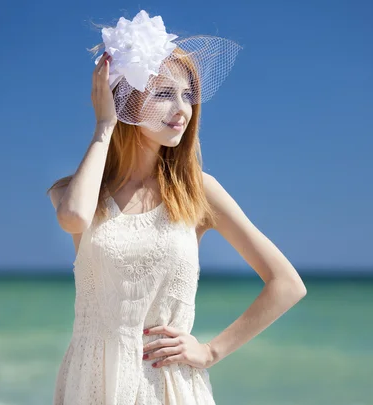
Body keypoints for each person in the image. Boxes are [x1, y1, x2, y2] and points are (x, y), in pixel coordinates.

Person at [47, 10, 307, 405]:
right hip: (92, 383)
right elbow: (74, 218)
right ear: (124, 100)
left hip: (165, 385)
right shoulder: (75, 191)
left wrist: (211, 350)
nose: (183, 108)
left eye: (188, 95)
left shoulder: (197, 190)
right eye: (165, 94)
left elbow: (286, 284)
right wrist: (104, 127)